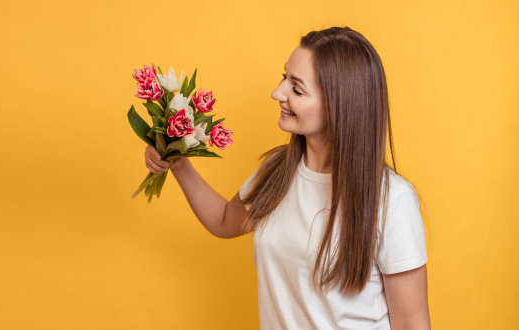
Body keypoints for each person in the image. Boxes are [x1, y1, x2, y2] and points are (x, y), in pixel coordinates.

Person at [144, 26, 430, 330]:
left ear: (339, 105)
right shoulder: (278, 170)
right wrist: (177, 161)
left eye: (297, 88)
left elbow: (411, 323)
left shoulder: (393, 199)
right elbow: (225, 220)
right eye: (284, 78)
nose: (277, 93)